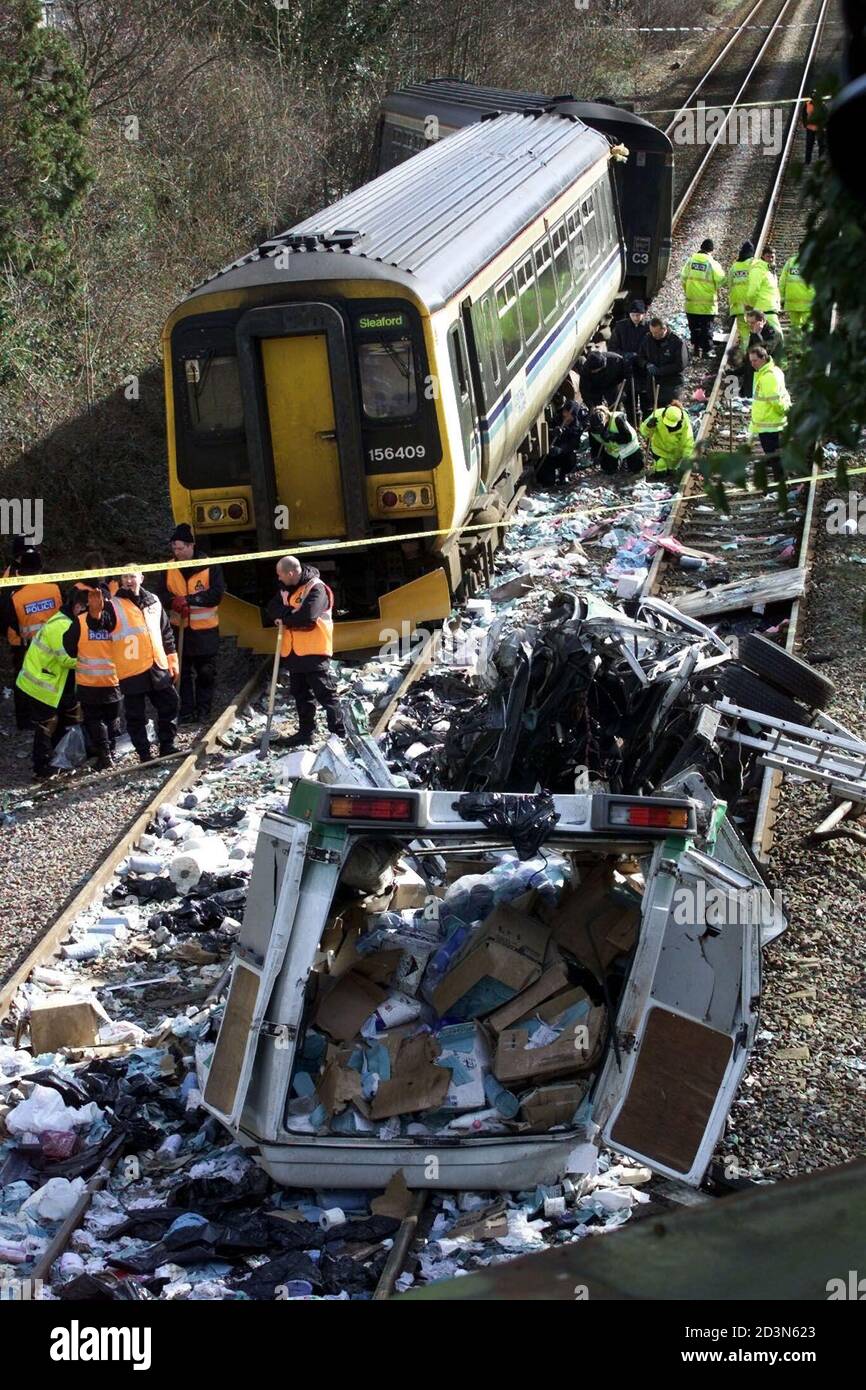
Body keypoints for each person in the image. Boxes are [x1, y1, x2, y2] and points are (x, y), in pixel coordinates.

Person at [264, 555, 345, 747]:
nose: (278, 579)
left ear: (291, 573)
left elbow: (308, 616)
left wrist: (284, 617)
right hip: (293, 652)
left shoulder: (316, 588)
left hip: (314, 651)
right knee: (300, 694)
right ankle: (305, 733)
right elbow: (271, 608)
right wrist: (289, 614)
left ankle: (339, 733)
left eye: (280, 575)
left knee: (325, 693)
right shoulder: (285, 590)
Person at [15, 587, 91, 780]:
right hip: (40, 684)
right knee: (47, 725)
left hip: (48, 680)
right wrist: (92, 659)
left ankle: (59, 758)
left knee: (64, 719)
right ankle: (42, 768)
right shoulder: (62, 626)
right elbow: (65, 659)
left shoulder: (66, 620)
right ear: (78, 607)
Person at [156, 524, 224, 724]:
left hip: (205, 631)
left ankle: (204, 710)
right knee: (182, 673)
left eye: (179, 548)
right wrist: (173, 602)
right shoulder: (168, 567)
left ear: (190, 546)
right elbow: (160, 593)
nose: (176, 552)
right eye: (174, 549)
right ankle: (186, 711)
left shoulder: (210, 565)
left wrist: (190, 600)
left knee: (206, 673)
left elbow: (216, 594)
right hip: (180, 630)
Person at [113, 571, 180, 762]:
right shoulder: (113, 605)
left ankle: (167, 746)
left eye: (132, 576)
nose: (128, 580)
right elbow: (100, 623)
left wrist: (172, 659)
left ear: (141, 578)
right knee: (135, 716)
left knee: (170, 704)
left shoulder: (154, 601)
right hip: (131, 669)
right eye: (124, 577)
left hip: (156, 666)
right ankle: (144, 754)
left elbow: (166, 632)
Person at [1, 546, 63, 732]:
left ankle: (26, 722)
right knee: (55, 681)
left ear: (19, 571)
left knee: (24, 685)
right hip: (56, 647)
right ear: (41, 569)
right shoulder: (55, 587)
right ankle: (56, 717)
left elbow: (7, 622)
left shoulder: (15, 596)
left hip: (27, 648)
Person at [74, 582, 122, 770]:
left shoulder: (79, 621)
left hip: (89, 682)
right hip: (113, 679)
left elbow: (69, 649)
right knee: (112, 717)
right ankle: (113, 750)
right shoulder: (118, 621)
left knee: (95, 719)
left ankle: (105, 755)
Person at [748, 345, 790, 481]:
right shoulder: (772, 371)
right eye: (751, 361)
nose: (752, 364)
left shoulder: (768, 377)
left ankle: (781, 482)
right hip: (770, 422)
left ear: (763, 358)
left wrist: (783, 411)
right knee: (774, 453)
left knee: (774, 455)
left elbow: (775, 401)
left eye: (755, 360)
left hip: (769, 424)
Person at [680, 238, 725, 358]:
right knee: (706, 328)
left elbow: (683, 278)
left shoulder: (690, 261)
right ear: (711, 250)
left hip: (691, 302)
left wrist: (688, 291)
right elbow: (721, 280)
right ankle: (707, 350)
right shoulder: (712, 263)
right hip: (707, 304)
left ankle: (695, 348)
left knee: (694, 327)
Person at [637, 317, 690, 415]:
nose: (654, 335)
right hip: (653, 382)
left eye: (657, 333)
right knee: (654, 411)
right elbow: (640, 356)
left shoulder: (677, 342)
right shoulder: (648, 339)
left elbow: (681, 364)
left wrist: (661, 370)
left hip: (671, 383)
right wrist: (646, 365)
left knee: (670, 412)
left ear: (664, 329)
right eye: (652, 332)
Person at [609, 300, 649, 423]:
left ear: (644, 314)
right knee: (629, 403)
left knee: (646, 403)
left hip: (643, 371)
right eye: (633, 315)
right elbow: (613, 348)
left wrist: (641, 358)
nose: (636, 318)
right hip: (626, 370)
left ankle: (646, 425)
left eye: (638, 315)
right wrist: (626, 356)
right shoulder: (620, 327)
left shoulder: (648, 327)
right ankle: (633, 423)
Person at [732, 309, 785, 395]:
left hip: (772, 367)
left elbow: (764, 352)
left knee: (754, 364)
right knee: (751, 365)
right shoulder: (755, 332)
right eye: (748, 322)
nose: (750, 325)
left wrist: (755, 334)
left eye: (752, 323)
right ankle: (746, 395)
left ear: (762, 321)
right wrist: (735, 372)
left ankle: (749, 395)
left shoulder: (773, 333)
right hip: (760, 365)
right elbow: (749, 355)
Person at [536, 401, 588, 486]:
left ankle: (563, 475)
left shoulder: (576, 426)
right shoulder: (555, 418)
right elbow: (543, 431)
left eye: (569, 418)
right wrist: (552, 432)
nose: (566, 419)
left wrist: (561, 449)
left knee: (571, 459)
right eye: (564, 416)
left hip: (563, 454)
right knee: (548, 481)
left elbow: (574, 444)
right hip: (549, 455)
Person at [639, 402, 696, 478]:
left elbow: (688, 444)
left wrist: (687, 462)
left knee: (672, 473)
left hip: (675, 454)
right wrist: (648, 427)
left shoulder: (685, 424)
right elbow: (643, 432)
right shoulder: (657, 415)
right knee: (660, 469)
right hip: (659, 450)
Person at [587, 406, 642, 476]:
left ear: (606, 418)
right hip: (613, 451)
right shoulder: (592, 430)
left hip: (630, 447)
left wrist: (612, 436)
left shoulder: (617, 419)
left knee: (636, 469)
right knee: (607, 469)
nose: (599, 431)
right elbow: (595, 445)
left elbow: (627, 437)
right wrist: (596, 457)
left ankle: (626, 462)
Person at [745, 247, 781, 332]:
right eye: (768, 256)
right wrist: (754, 306)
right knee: (778, 338)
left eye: (772, 257)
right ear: (763, 256)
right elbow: (752, 292)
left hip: (770, 310)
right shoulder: (758, 270)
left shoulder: (770, 270)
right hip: (764, 310)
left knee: (770, 338)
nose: (771, 259)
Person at [727, 241, 755, 348]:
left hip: (738, 305)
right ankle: (753, 353)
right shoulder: (754, 264)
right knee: (754, 329)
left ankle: (744, 352)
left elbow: (729, 284)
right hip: (751, 305)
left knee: (743, 331)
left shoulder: (735, 266)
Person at [779, 253, 815, 332]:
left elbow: (782, 281)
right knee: (809, 325)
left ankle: (796, 343)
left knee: (795, 325)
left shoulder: (790, 262)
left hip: (792, 300)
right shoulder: (813, 262)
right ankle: (807, 343)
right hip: (808, 301)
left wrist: (781, 298)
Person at [802, 93, 825, 165]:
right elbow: (804, 115)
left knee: (821, 145)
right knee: (809, 145)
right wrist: (805, 124)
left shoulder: (822, 105)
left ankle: (820, 161)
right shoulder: (807, 104)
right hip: (811, 128)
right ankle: (807, 161)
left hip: (819, 128)